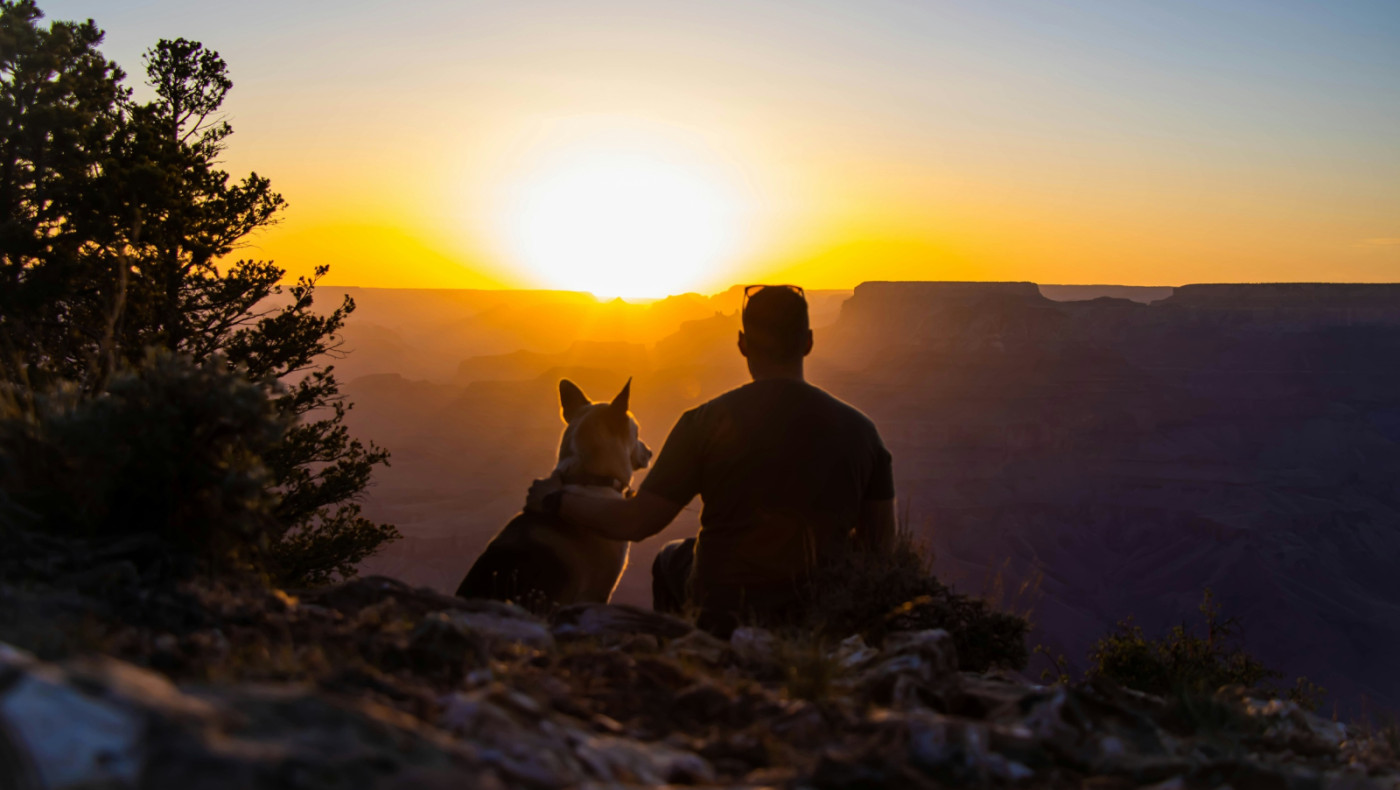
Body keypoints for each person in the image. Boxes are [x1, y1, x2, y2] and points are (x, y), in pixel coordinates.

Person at [526, 284, 896, 635]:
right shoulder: (864, 434)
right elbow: (881, 550)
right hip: (818, 614)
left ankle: (685, 656)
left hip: (722, 612)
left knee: (670, 559)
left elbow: (635, 523)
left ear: (742, 344)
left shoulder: (704, 423)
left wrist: (555, 500)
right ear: (809, 342)